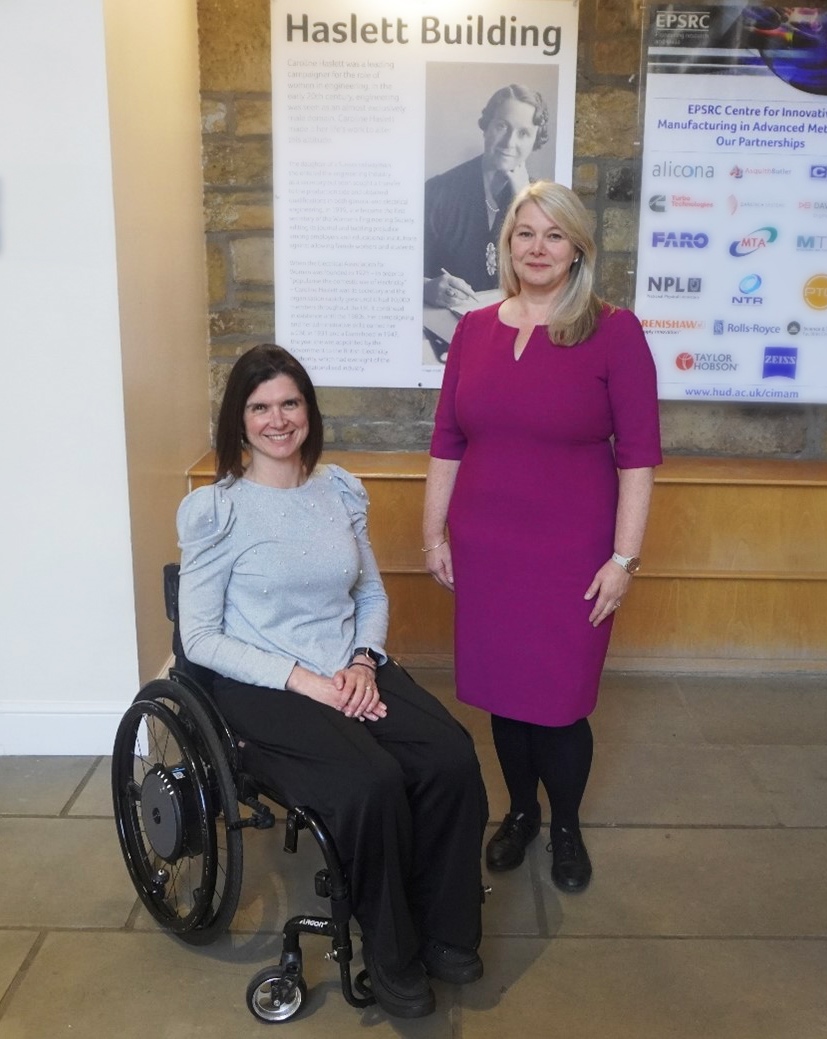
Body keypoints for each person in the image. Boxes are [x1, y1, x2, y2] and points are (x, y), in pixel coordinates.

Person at [177, 344, 488, 1019]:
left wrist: (360, 660)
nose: (277, 419)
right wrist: (304, 680)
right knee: (369, 782)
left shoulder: (338, 489)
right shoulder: (217, 511)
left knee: (451, 758)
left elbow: (370, 594)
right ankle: (391, 951)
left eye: (290, 402)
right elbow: (200, 637)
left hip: (347, 663)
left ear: (309, 413)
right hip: (262, 682)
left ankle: (446, 931)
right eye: (260, 407)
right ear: (239, 419)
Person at [423, 181, 662, 894]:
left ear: (577, 246)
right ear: (506, 245)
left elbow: (639, 453)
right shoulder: (473, 329)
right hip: (486, 547)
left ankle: (564, 825)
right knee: (504, 696)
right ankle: (520, 812)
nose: (536, 247)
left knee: (559, 704)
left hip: (573, 556)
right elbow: (446, 438)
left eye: (552, 234)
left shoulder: (613, 330)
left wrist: (623, 558)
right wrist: (433, 529)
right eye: (523, 233)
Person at [423, 83, 550, 311]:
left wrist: (525, 200)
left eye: (523, 133)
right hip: (444, 330)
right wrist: (426, 287)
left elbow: (551, 278)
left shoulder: (544, 202)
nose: (509, 143)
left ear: (535, 141)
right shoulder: (437, 192)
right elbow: (401, 270)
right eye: (502, 126)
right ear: (486, 127)